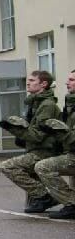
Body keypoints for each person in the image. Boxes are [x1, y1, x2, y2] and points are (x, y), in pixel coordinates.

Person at [0, 70, 62, 213]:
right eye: (28, 80)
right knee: (31, 203)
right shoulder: (34, 103)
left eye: (33, 80)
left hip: (45, 150)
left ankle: (45, 196)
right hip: (35, 148)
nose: (28, 82)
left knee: (7, 166)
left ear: (44, 84)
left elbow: (38, 135)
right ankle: (40, 199)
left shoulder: (47, 105)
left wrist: (15, 129)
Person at [34, 70, 75, 219]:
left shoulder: (50, 104)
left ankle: (71, 203)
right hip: (69, 151)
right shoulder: (70, 104)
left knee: (42, 166)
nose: (67, 82)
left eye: (71, 80)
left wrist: (58, 131)